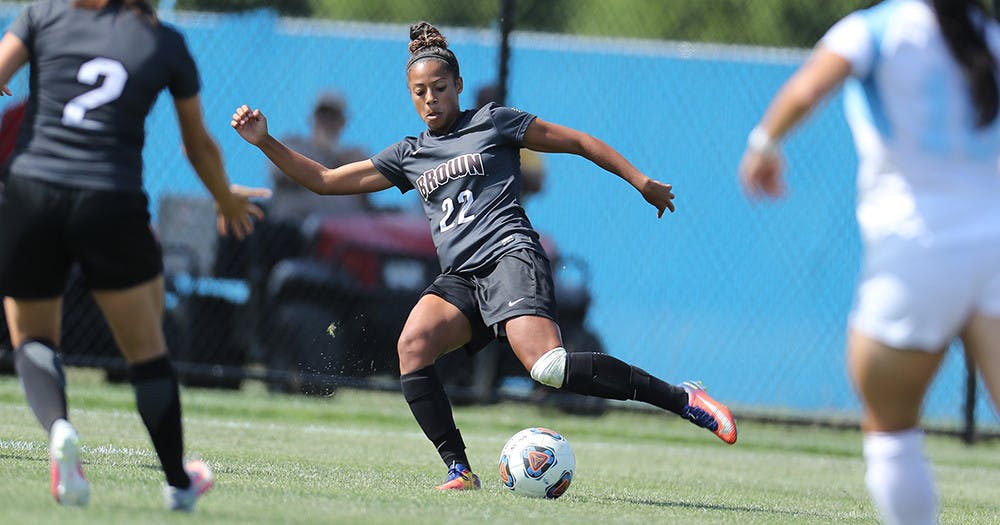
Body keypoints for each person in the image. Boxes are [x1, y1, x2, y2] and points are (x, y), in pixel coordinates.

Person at [232, 20, 737, 491]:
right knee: (413, 347)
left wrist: (640, 180)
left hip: (510, 257)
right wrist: (264, 141)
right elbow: (322, 181)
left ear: (457, 85)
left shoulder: (495, 123)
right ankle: (459, 469)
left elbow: (579, 141)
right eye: (419, 92)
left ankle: (683, 398)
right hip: (462, 277)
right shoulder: (409, 154)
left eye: (439, 88)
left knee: (548, 368)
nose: (430, 99)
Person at [0, 0, 269, 511]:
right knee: (146, 351)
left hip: (31, 190)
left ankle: (59, 429)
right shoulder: (165, 43)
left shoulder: (42, 15)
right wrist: (225, 198)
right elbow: (197, 145)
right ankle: (177, 481)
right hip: (111, 200)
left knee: (32, 337)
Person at [738, 1, 1000, 524]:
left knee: (892, 426)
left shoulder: (876, 29)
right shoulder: (989, 34)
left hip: (917, 251)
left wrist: (763, 145)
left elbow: (808, 89)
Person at [267, 91, 370, 223]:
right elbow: (279, 171)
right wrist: (326, 152)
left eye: (333, 117)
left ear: (342, 122)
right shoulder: (293, 146)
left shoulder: (354, 156)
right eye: (323, 116)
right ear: (312, 119)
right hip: (294, 230)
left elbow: (366, 196)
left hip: (342, 234)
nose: (327, 122)